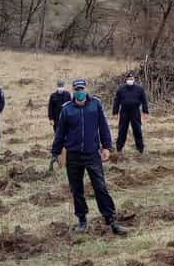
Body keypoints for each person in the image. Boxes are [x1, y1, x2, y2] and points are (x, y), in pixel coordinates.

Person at [50, 78, 127, 235]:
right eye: (77, 89)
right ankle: (82, 221)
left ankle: (111, 220)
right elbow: (60, 133)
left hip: (92, 153)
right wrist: (56, 152)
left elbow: (103, 126)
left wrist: (107, 146)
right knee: (76, 189)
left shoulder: (95, 105)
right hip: (73, 156)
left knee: (100, 187)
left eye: (82, 89)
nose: (80, 92)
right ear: (73, 91)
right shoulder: (67, 109)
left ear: (86, 89)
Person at [112, 73, 150, 155]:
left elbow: (144, 101)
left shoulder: (139, 89)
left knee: (137, 130)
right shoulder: (121, 89)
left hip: (135, 112)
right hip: (124, 112)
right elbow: (116, 101)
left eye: (131, 79)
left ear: (134, 79)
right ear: (126, 80)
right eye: (128, 79)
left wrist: (145, 111)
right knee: (122, 130)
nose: (130, 80)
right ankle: (119, 149)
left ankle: (140, 149)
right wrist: (115, 112)